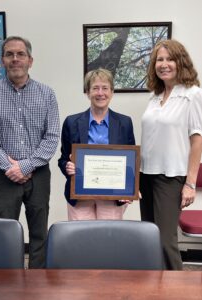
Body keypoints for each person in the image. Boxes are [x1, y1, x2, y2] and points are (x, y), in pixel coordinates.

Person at [0, 36, 60, 268]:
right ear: (2, 61)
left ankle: (37, 284)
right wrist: (9, 166)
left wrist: (25, 166)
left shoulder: (47, 94)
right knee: (4, 234)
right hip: (4, 176)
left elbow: (52, 137)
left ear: (30, 61)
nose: (15, 59)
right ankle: (6, 283)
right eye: (9, 54)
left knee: (38, 235)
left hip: (39, 175)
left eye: (20, 54)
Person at [140, 39, 202, 270]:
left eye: (169, 59)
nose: (164, 64)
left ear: (181, 62)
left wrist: (189, 184)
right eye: (159, 59)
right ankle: (155, 288)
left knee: (166, 241)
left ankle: (177, 291)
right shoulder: (154, 96)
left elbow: (197, 140)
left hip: (171, 176)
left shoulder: (193, 94)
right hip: (146, 175)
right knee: (150, 238)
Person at [58, 68, 135, 220]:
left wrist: (130, 189)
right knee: (81, 240)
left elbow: (131, 161)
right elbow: (63, 160)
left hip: (112, 196)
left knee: (108, 239)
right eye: (95, 88)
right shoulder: (71, 122)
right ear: (88, 92)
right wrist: (68, 166)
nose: (100, 93)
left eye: (105, 88)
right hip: (80, 195)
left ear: (112, 92)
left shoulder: (125, 123)